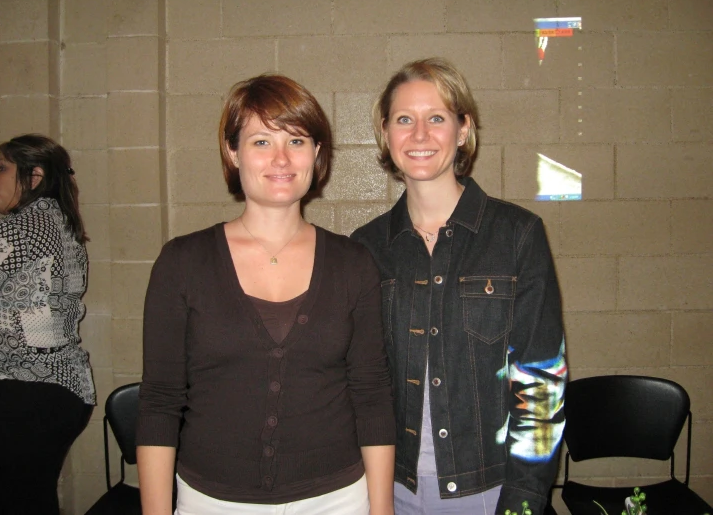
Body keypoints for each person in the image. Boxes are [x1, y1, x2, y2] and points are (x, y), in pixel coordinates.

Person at [136, 74, 396, 515]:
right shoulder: (182, 262)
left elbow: (371, 393)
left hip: (336, 500)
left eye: (296, 141)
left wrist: (382, 508)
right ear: (232, 151)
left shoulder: (354, 263)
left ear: (317, 153)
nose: (281, 158)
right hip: (212, 502)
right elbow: (160, 399)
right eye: (260, 142)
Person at [351, 58, 567, 515]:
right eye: (404, 119)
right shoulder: (366, 248)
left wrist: (524, 501)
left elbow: (543, 382)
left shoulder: (517, 235)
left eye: (437, 118)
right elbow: (359, 384)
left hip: (490, 491)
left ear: (463, 129)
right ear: (385, 134)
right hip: (392, 490)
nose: (421, 135)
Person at [0, 134, 95, 515]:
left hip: (16, 393)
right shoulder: (62, 225)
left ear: (35, 175)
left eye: (2, 169)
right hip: (62, 390)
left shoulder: (15, 230)